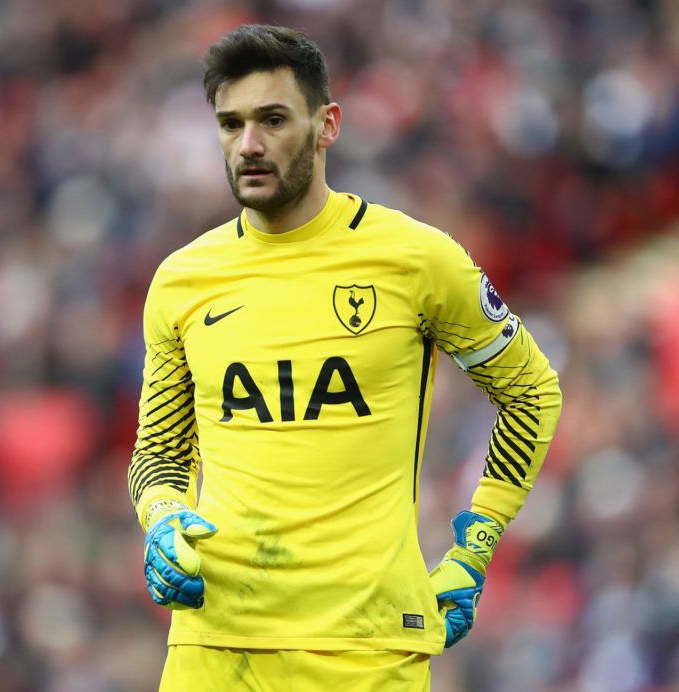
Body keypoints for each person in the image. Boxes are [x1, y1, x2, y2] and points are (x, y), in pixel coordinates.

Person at [127, 24, 562, 691]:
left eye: (273, 119)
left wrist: (475, 548)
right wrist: (160, 521)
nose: (249, 145)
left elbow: (531, 393)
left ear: (327, 125)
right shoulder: (183, 280)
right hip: (216, 646)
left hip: (364, 651)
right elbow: (157, 454)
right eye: (231, 123)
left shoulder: (416, 260)